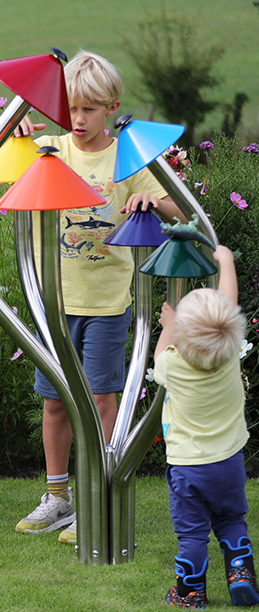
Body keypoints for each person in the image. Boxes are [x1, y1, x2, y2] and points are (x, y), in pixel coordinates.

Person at [10, 50, 182, 544]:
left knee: (103, 398)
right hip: (54, 301)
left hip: (106, 302)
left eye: (89, 109)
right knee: (55, 402)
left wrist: (151, 200)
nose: (79, 119)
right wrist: (18, 140)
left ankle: (99, 494)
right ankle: (59, 497)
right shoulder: (51, 150)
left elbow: (176, 205)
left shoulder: (127, 156)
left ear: (112, 107)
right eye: (71, 109)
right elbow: (8, 171)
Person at [156, 246, 256, 609]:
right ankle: (241, 575)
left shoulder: (173, 366)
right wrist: (226, 260)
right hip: (229, 462)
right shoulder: (228, 355)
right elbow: (230, 301)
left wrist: (168, 327)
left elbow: (159, 355)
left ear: (182, 336)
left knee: (193, 533)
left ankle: (190, 593)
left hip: (188, 467)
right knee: (231, 520)